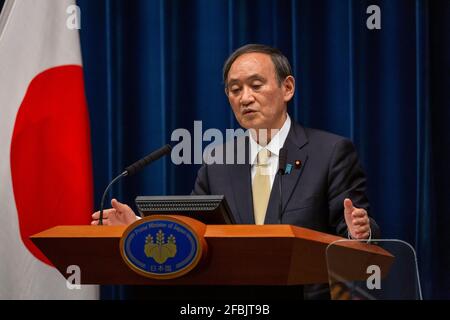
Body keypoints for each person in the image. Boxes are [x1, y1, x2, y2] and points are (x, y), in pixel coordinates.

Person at [92, 44, 380, 299]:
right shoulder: (218, 160)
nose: (245, 98)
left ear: (287, 88)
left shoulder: (330, 152)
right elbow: (195, 236)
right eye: (235, 89)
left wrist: (360, 234)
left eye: (256, 85)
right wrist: (140, 228)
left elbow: (359, 237)